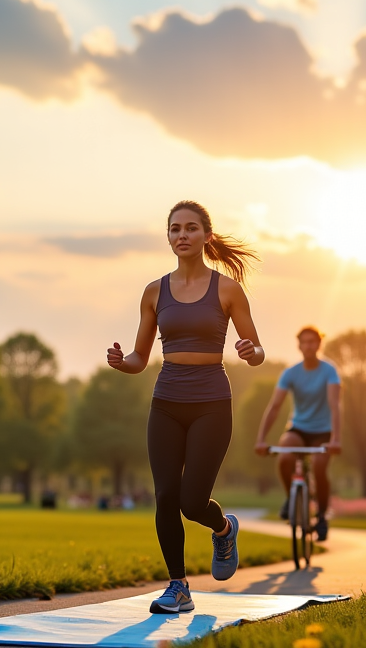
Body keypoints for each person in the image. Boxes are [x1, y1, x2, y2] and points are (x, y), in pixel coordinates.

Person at [107, 200, 265, 614]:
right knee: (165, 497)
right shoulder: (154, 291)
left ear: (206, 235)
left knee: (192, 501)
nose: (182, 235)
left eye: (191, 228)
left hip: (212, 401)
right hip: (166, 402)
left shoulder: (227, 289)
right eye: (175, 229)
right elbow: (141, 358)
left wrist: (250, 350)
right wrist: (123, 363)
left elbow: (258, 350)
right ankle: (177, 586)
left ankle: (224, 527)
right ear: (168, 236)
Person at [254, 326, 342, 540]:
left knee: (320, 467)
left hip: (323, 431)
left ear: (319, 344)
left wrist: (336, 439)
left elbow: (334, 405)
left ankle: (321, 516)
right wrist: (261, 439)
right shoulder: (290, 373)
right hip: (298, 428)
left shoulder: (329, 371)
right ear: (299, 346)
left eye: (313, 341)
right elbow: (274, 407)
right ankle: (290, 498)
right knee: (285, 457)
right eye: (304, 342)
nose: (309, 346)